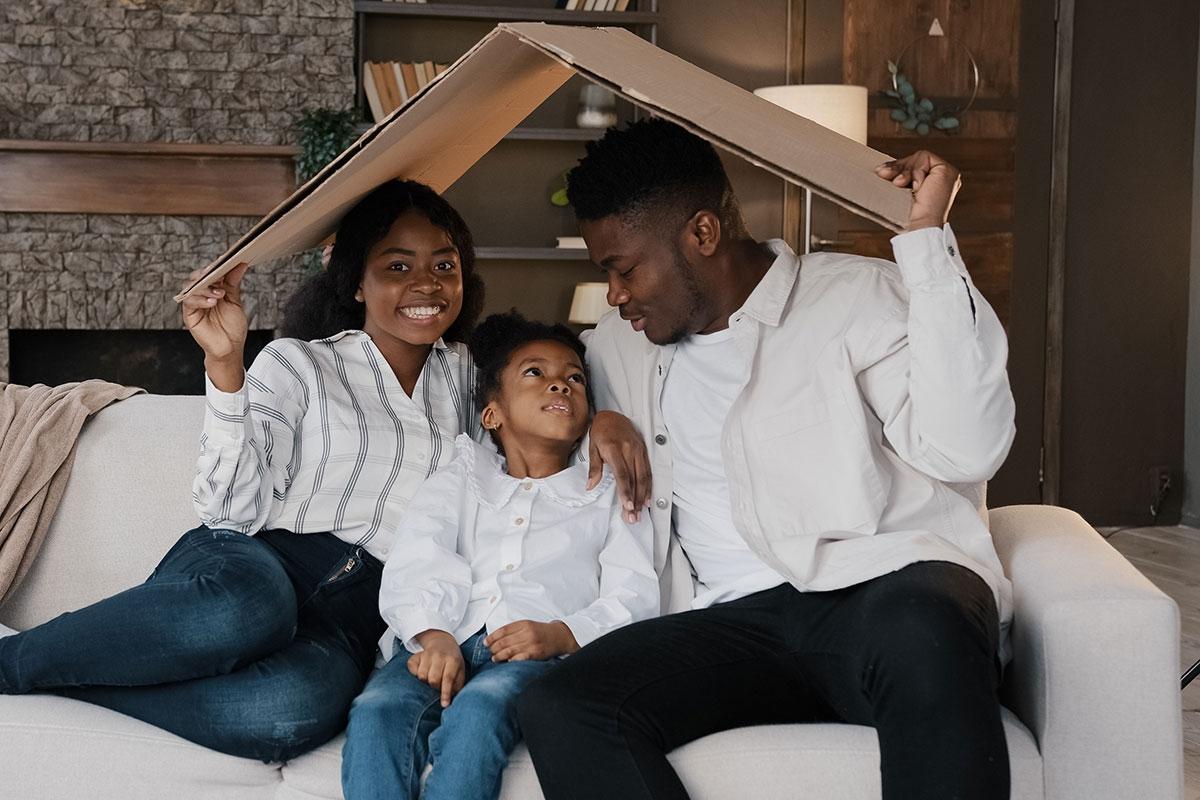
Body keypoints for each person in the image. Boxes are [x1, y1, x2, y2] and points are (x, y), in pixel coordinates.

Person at [0, 180, 645, 764]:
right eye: (398, 266)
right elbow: (227, 510)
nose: (427, 284)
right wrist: (226, 366)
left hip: (361, 614)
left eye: (443, 266)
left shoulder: (474, 381)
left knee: (290, 713)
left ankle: (65, 687)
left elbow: (550, 388)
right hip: (260, 564)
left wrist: (605, 418)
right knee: (243, 611)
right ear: (357, 283)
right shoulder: (298, 364)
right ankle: (12, 663)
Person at [515, 119, 1017, 800]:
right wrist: (597, 415)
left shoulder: (858, 297)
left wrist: (926, 241)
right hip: (733, 624)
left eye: (624, 268)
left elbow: (969, 447)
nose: (615, 294)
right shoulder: (616, 347)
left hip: (886, 588)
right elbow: (528, 411)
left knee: (921, 629)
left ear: (702, 233)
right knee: (562, 702)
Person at [341, 312, 659, 800]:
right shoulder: (463, 475)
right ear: (493, 414)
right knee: (377, 709)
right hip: (442, 637)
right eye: (536, 373)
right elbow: (419, 553)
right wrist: (433, 635)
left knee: (481, 709)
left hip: (535, 654)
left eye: (574, 378)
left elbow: (634, 591)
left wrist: (560, 634)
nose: (560, 385)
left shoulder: (606, 492)